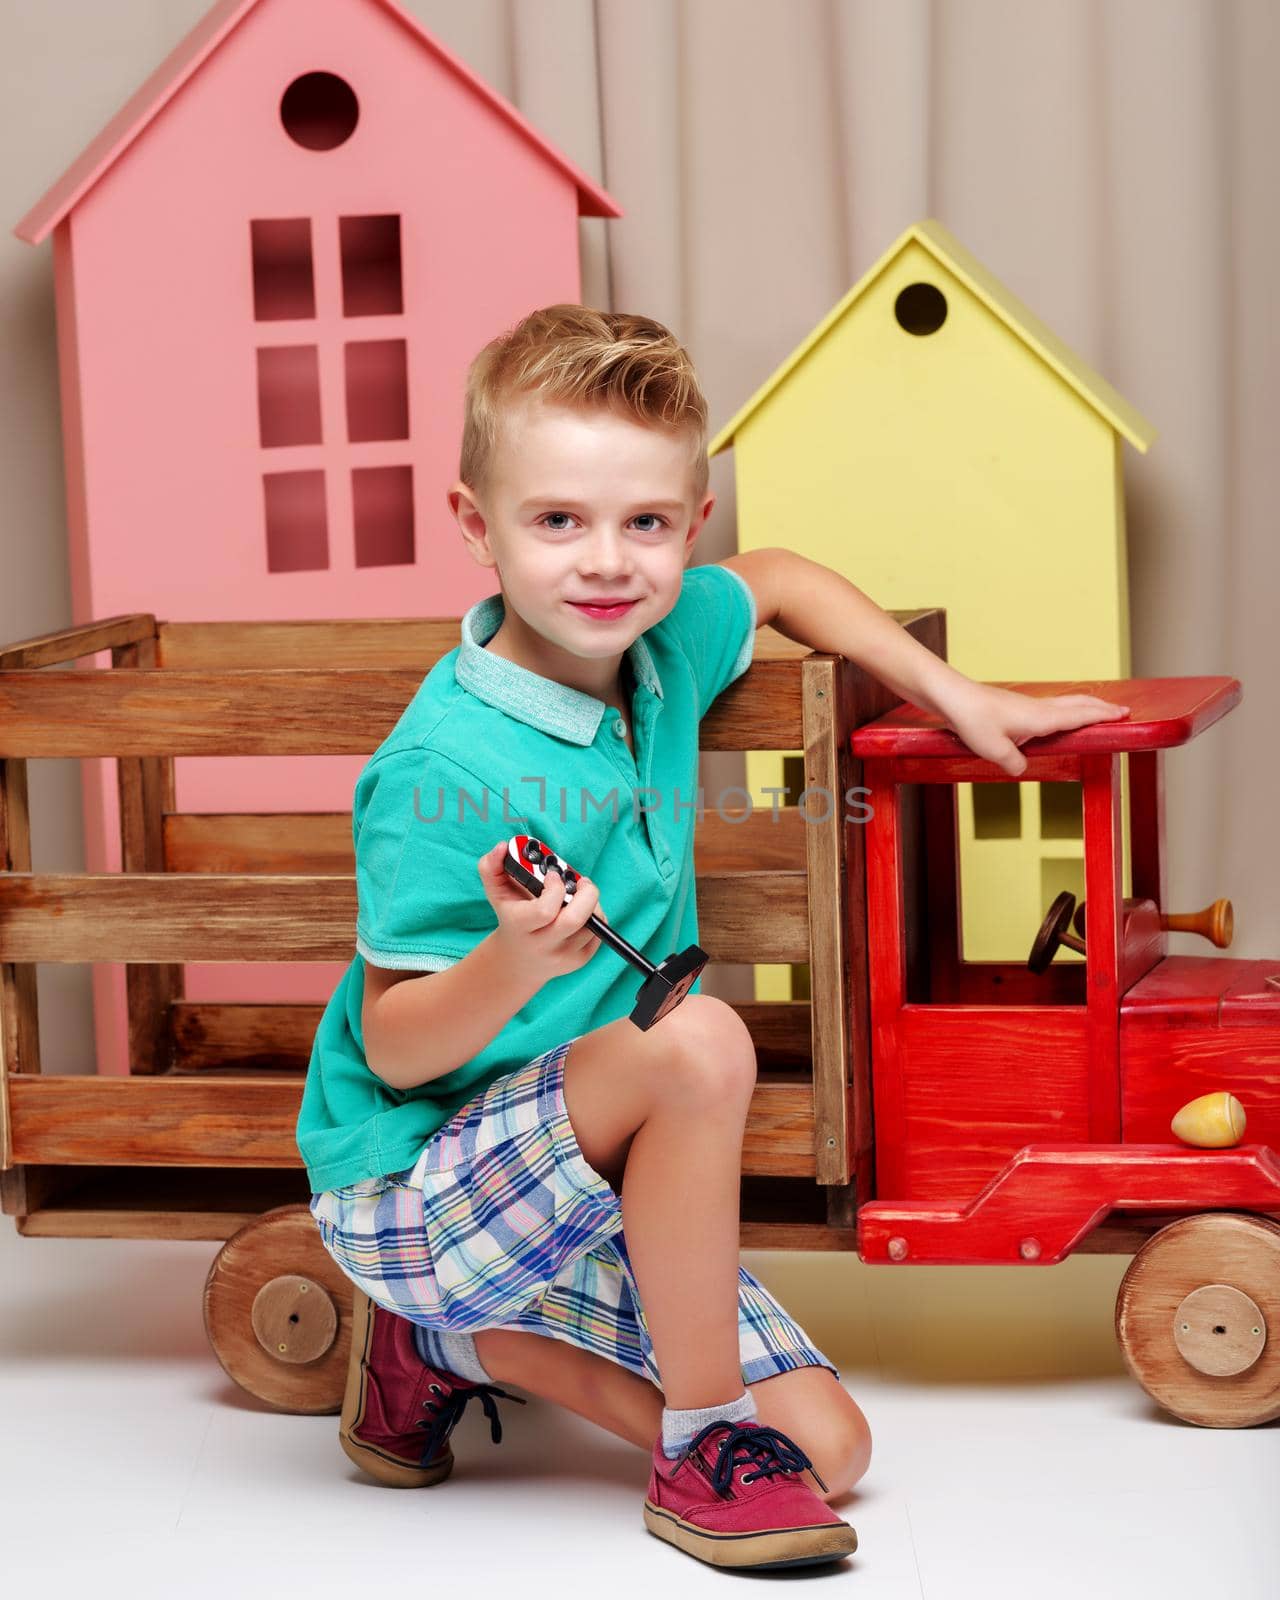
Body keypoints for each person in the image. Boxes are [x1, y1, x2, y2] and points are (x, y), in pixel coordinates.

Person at [295, 303, 1130, 1571]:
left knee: (833, 1451)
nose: (604, 563)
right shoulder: (439, 767)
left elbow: (785, 576)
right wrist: (511, 957)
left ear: (690, 523)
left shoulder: (664, 641)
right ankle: (687, 1443)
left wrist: (956, 694)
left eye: (644, 523)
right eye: (556, 520)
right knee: (693, 1041)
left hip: (577, 1179)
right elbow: (400, 1053)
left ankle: (444, 1346)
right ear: (476, 526)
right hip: (416, 1190)